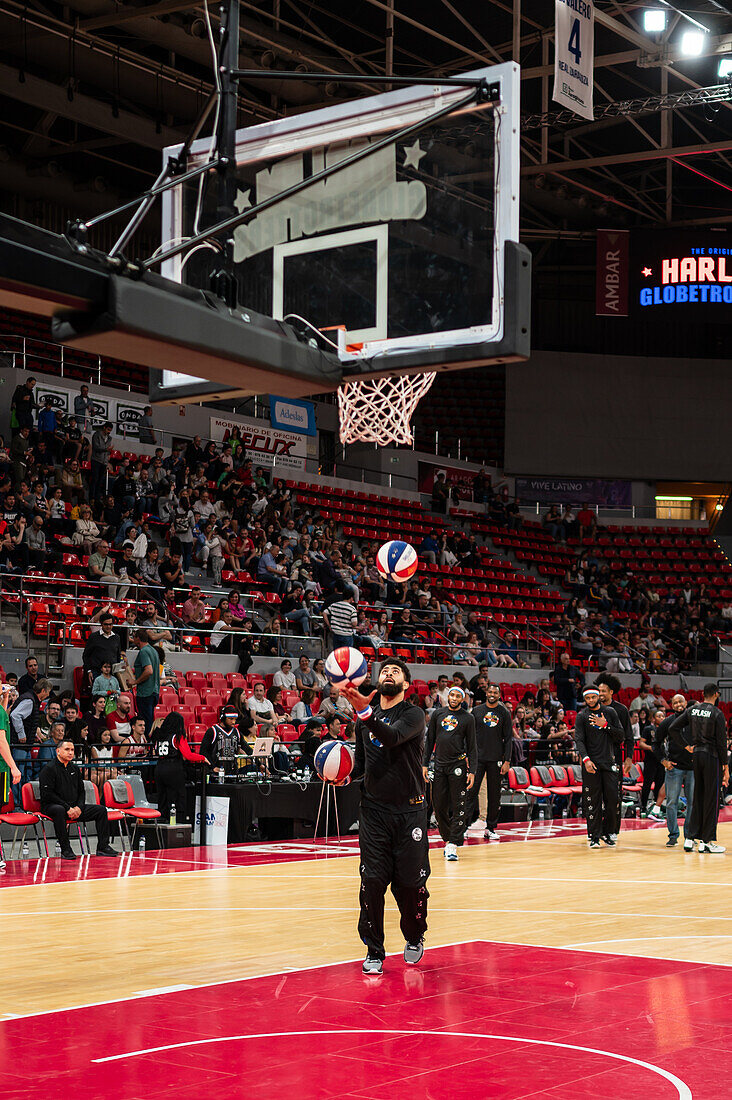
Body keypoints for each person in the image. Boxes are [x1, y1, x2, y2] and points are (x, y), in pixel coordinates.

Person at [339, 658, 430, 976]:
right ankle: (374, 949)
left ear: (406, 684)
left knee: (409, 885)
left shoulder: (413, 714)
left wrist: (365, 713)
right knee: (372, 882)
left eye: (396, 672)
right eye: (384, 671)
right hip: (374, 812)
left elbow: (391, 738)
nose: (388, 674)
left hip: (411, 811)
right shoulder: (364, 720)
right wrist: (345, 776)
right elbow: (361, 765)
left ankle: (415, 935)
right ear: (377, 683)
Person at [669, 683, 729, 853]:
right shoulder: (717, 713)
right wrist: (725, 767)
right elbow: (721, 744)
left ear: (703, 694)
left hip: (696, 756)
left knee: (698, 797)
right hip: (712, 757)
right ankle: (707, 841)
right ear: (717, 695)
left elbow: (673, 728)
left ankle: (689, 838)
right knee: (711, 798)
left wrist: (686, 746)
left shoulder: (692, 710)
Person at [39, 739, 118, 859]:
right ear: (58, 751)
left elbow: (82, 791)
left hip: (74, 807)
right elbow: (47, 794)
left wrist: (79, 808)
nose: (70, 752)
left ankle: (103, 847)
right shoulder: (49, 769)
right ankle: (66, 849)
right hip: (52, 806)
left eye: (72, 750)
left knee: (101, 810)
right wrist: (68, 808)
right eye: (67, 749)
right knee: (59, 810)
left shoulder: (75, 769)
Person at [423, 686, 476, 860]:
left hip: (458, 766)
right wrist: (424, 764)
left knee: (459, 806)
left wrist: (472, 771)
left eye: (457, 696)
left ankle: (453, 843)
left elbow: (472, 747)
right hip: (438, 765)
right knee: (438, 807)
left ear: (462, 699)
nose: (453, 698)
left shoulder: (468, 718)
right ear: (448, 697)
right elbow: (429, 740)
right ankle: (448, 839)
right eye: (451, 695)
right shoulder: (438, 714)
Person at [573, 685, 625, 849]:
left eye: (593, 697)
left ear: (598, 697)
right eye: (587, 698)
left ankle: (607, 832)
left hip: (609, 763)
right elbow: (579, 740)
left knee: (613, 800)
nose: (590, 700)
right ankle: (594, 836)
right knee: (592, 802)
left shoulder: (610, 712)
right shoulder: (581, 716)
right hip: (591, 764)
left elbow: (621, 736)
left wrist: (606, 725)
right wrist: (586, 759)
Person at [468, 682, 513, 841]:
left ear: (499, 695)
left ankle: (491, 828)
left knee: (495, 796)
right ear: (486, 693)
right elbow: (469, 736)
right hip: (478, 759)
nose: (492, 694)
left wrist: (507, 760)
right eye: (490, 692)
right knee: (471, 792)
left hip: (496, 759)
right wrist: (468, 756)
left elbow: (508, 739)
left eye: (496, 692)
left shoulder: (504, 712)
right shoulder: (476, 711)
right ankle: (465, 826)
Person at [595, 673, 634, 843]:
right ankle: (595, 831)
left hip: (615, 757)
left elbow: (629, 736)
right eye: (599, 691)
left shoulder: (621, 710)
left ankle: (612, 830)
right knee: (597, 797)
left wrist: (629, 757)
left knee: (614, 797)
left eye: (603, 691)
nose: (600, 694)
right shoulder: (592, 708)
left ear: (611, 691)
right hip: (596, 758)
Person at [150, 712, 208, 823]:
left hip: (159, 768)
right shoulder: (177, 736)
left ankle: (162, 823)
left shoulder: (158, 735)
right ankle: (177, 823)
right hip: (174, 768)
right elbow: (188, 755)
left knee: (162, 797)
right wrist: (202, 758)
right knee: (176, 797)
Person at [653, 694, 693, 848]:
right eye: (675, 702)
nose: (678, 704)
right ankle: (673, 835)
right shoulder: (668, 722)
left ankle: (689, 836)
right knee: (671, 803)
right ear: (672, 705)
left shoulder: (694, 721)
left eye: (680, 701)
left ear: (686, 702)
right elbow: (656, 744)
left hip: (692, 768)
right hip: (674, 767)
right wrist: (663, 760)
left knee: (692, 803)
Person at [9, 677, 52, 799]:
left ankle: (23, 802)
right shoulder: (29, 700)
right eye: (48, 692)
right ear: (43, 690)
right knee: (18, 775)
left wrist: (33, 736)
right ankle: (16, 803)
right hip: (19, 744)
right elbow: (15, 716)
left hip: (25, 745)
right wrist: (21, 734)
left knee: (25, 773)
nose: (48, 695)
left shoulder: (31, 699)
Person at [200, 704, 250, 780]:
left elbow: (247, 749)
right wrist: (212, 767)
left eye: (235, 719)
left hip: (233, 773)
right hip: (216, 773)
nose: (233, 722)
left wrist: (260, 764)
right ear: (223, 718)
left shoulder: (237, 732)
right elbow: (203, 751)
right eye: (231, 719)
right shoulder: (212, 731)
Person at [128, 629, 160, 734]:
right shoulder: (153, 650)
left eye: (134, 637)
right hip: (154, 691)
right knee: (148, 720)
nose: (133, 640)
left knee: (144, 723)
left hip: (146, 692)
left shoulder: (144, 651)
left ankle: (147, 746)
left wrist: (135, 682)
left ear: (138, 638)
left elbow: (149, 671)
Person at [639, 710, 667, 820]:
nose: (662, 717)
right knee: (647, 784)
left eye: (663, 716)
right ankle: (643, 807)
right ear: (653, 719)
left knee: (660, 785)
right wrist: (651, 748)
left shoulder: (665, 730)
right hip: (650, 760)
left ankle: (656, 808)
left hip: (661, 761)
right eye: (659, 716)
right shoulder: (648, 729)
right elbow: (641, 744)